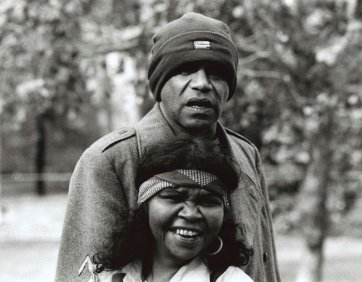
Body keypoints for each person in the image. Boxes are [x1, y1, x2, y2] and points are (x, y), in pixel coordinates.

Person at [56, 12, 280, 282]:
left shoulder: (245, 155)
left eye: (217, 73)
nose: (202, 84)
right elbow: (88, 273)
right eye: (185, 70)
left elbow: (264, 264)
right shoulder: (110, 160)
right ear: (159, 83)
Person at [86, 138, 254, 281]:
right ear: (145, 204)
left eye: (209, 201)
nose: (191, 214)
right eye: (174, 198)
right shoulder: (110, 276)